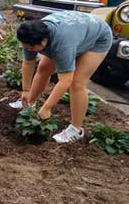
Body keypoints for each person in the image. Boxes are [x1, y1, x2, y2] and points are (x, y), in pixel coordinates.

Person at [16, 11, 112, 144]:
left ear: (44, 41)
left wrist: (47, 107)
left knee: (77, 83)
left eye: (32, 48)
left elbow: (65, 80)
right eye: (26, 47)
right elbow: (28, 62)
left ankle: (76, 130)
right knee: (43, 68)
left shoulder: (62, 44)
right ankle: (29, 105)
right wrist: (26, 90)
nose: (29, 50)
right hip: (76, 32)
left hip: (97, 38)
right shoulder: (30, 36)